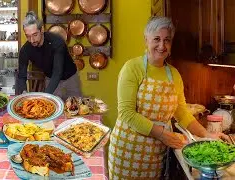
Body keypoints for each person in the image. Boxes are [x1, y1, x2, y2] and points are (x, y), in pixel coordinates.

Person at [108, 16, 229, 179]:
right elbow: (127, 113)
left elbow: (182, 113)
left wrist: (207, 135)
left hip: (156, 153)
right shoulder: (132, 68)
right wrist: (164, 135)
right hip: (128, 149)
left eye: (167, 40)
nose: (161, 45)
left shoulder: (174, 74)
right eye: (156, 39)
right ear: (146, 40)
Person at [16, 11, 82, 100]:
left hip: (70, 78)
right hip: (50, 78)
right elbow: (21, 75)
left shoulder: (57, 42)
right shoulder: (25, 50)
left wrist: (44, 96)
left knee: (75, 107)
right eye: (28, 36)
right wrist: (23, 91)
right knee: (51, 109)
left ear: (42, 30)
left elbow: (57, 72)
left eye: (35, 35)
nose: (32, 40)